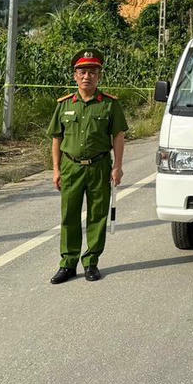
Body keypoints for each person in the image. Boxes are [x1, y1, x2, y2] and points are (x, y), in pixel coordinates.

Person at [47, 48, 128, 284]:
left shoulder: (109, 105)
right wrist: (56, 168)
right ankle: (68, 264)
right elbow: (56, 138)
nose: (87, 76)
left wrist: (118, 166)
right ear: (75, 75)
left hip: (99, 166)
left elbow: (119, 136)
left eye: (92, 72)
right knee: (69, 216)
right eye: (82, 71)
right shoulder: (64, 105)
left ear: (99, 76)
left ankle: (91, 262)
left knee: (97, 215)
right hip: (71, 167)